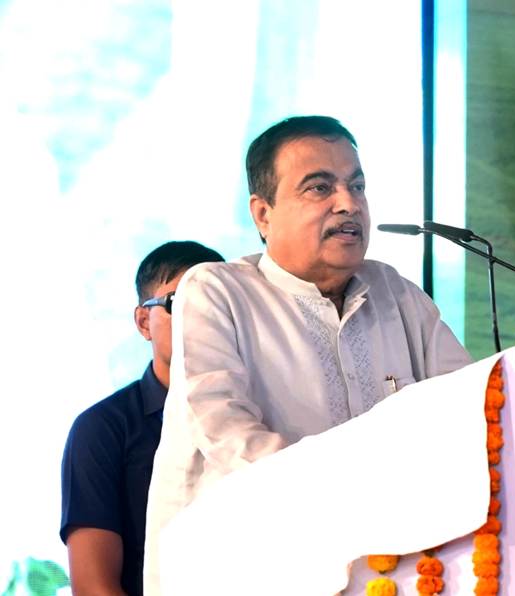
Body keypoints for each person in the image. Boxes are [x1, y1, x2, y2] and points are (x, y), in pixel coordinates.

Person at [144, 116, 473, 594]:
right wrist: (353, 496)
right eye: (320, 188)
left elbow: (467, 413)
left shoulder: (397, 294)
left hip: (385, 572)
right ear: (263, 214)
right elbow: (228, 435)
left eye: (357, 186)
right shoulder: (217, 291)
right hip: (246, 572)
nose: (349, 204)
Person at [60, 241, 224, 596]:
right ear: (143, 322)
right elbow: (93, 587)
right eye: (178, 303)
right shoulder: (102, 429)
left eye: (216, 303)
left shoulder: (261, 412)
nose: (201, 318)